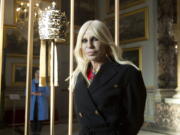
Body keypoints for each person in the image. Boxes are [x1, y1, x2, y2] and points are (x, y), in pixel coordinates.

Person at [71, 20, 147, 135]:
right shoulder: (78, 76)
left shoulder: (128, 73)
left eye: (95, 39)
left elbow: (134, 120)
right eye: (84, 40)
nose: (89, 45)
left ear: (105, 41)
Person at [30, 70, 49, 135]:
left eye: (39, 73)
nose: (37, 74)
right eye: (36, 73)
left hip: (41, 103)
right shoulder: (30, 82)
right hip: (33, 103)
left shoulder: (44, 82)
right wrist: (32, 93)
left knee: (40, 118)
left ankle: (38, 132)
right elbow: (26, 92)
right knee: (33, 117)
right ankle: (33, 132)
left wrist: (40, 93)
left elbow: (48, 93)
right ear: (34, 74)